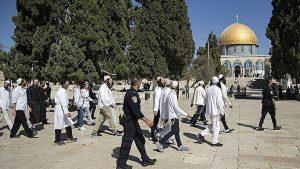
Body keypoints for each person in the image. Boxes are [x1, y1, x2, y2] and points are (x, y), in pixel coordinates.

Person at [117, 77, 156, 169]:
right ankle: (121, 164)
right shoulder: (132, 94)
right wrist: (147, 121)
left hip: (133, 122)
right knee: (127, 142)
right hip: (129, 122)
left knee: (139, 139)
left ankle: (145, 159)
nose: (141, 84)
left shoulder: (133, 93)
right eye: (140, 83)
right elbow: (135, 111)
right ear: (138, 84)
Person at [156, 81, 189, 152]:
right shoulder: (173, 94)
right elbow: (176, 107)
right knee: (173, 131)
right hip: (173, 116)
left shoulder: (170, 93)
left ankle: (180, 146)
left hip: (173, 115)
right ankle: (160, 142)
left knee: (176, 131)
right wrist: (185, 114)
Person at [198, 77, 224, 147]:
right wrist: (222, 111)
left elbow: (206, 99)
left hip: (210, 109)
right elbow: (219, 101)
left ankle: (202, 134)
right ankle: (214, 141)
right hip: (216, 110)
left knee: (214, 124)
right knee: (217, 126)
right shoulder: (218, 89)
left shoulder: (208, 89)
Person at [54, 80, 77, 145]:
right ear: (64, 85)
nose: (68, 85)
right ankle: (57, 140)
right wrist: (66, 112)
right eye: (67, 84)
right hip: (60, 110)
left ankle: (70, 138)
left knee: (68, 123)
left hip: (63, 109)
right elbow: (62, 102)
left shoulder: (63, 91)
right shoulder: (61, 91)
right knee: (59, 124)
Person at [150, 77, 163, 141]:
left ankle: (154, 134)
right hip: (158, 109)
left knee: (156, 122)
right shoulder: (158, 90)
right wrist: (155, 110)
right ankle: (152, 135)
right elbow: (156, 100)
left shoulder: (159, 88)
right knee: (155, 122)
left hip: (158, 108)